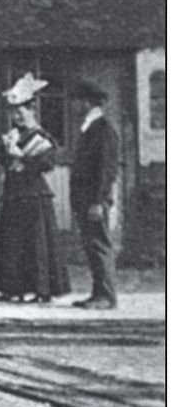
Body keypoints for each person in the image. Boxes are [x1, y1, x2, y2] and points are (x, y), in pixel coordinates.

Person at [0, 73, 70, 303]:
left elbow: (47, 163)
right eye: (13, 112)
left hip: (34, 193)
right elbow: (0, 158)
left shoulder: (41, 136)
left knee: (36, 243)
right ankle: (13, 289)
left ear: (31, 110)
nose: (17, 116)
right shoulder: (15, 135)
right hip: (15, 193)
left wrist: (22, 159)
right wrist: (9, 151)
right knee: (13, 241)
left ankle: (41, 290)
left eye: (21, 111)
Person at [68, 81, 121, 309]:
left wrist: (98, 201)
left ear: (86, 102)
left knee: (99, 245)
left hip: (94, 200)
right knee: (92, 245)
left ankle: (107, 296)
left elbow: (106, 170)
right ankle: (98, 293)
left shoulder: (103, 129)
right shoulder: (90, 127)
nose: (72, 106)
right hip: (85, 199)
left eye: (75, 101)